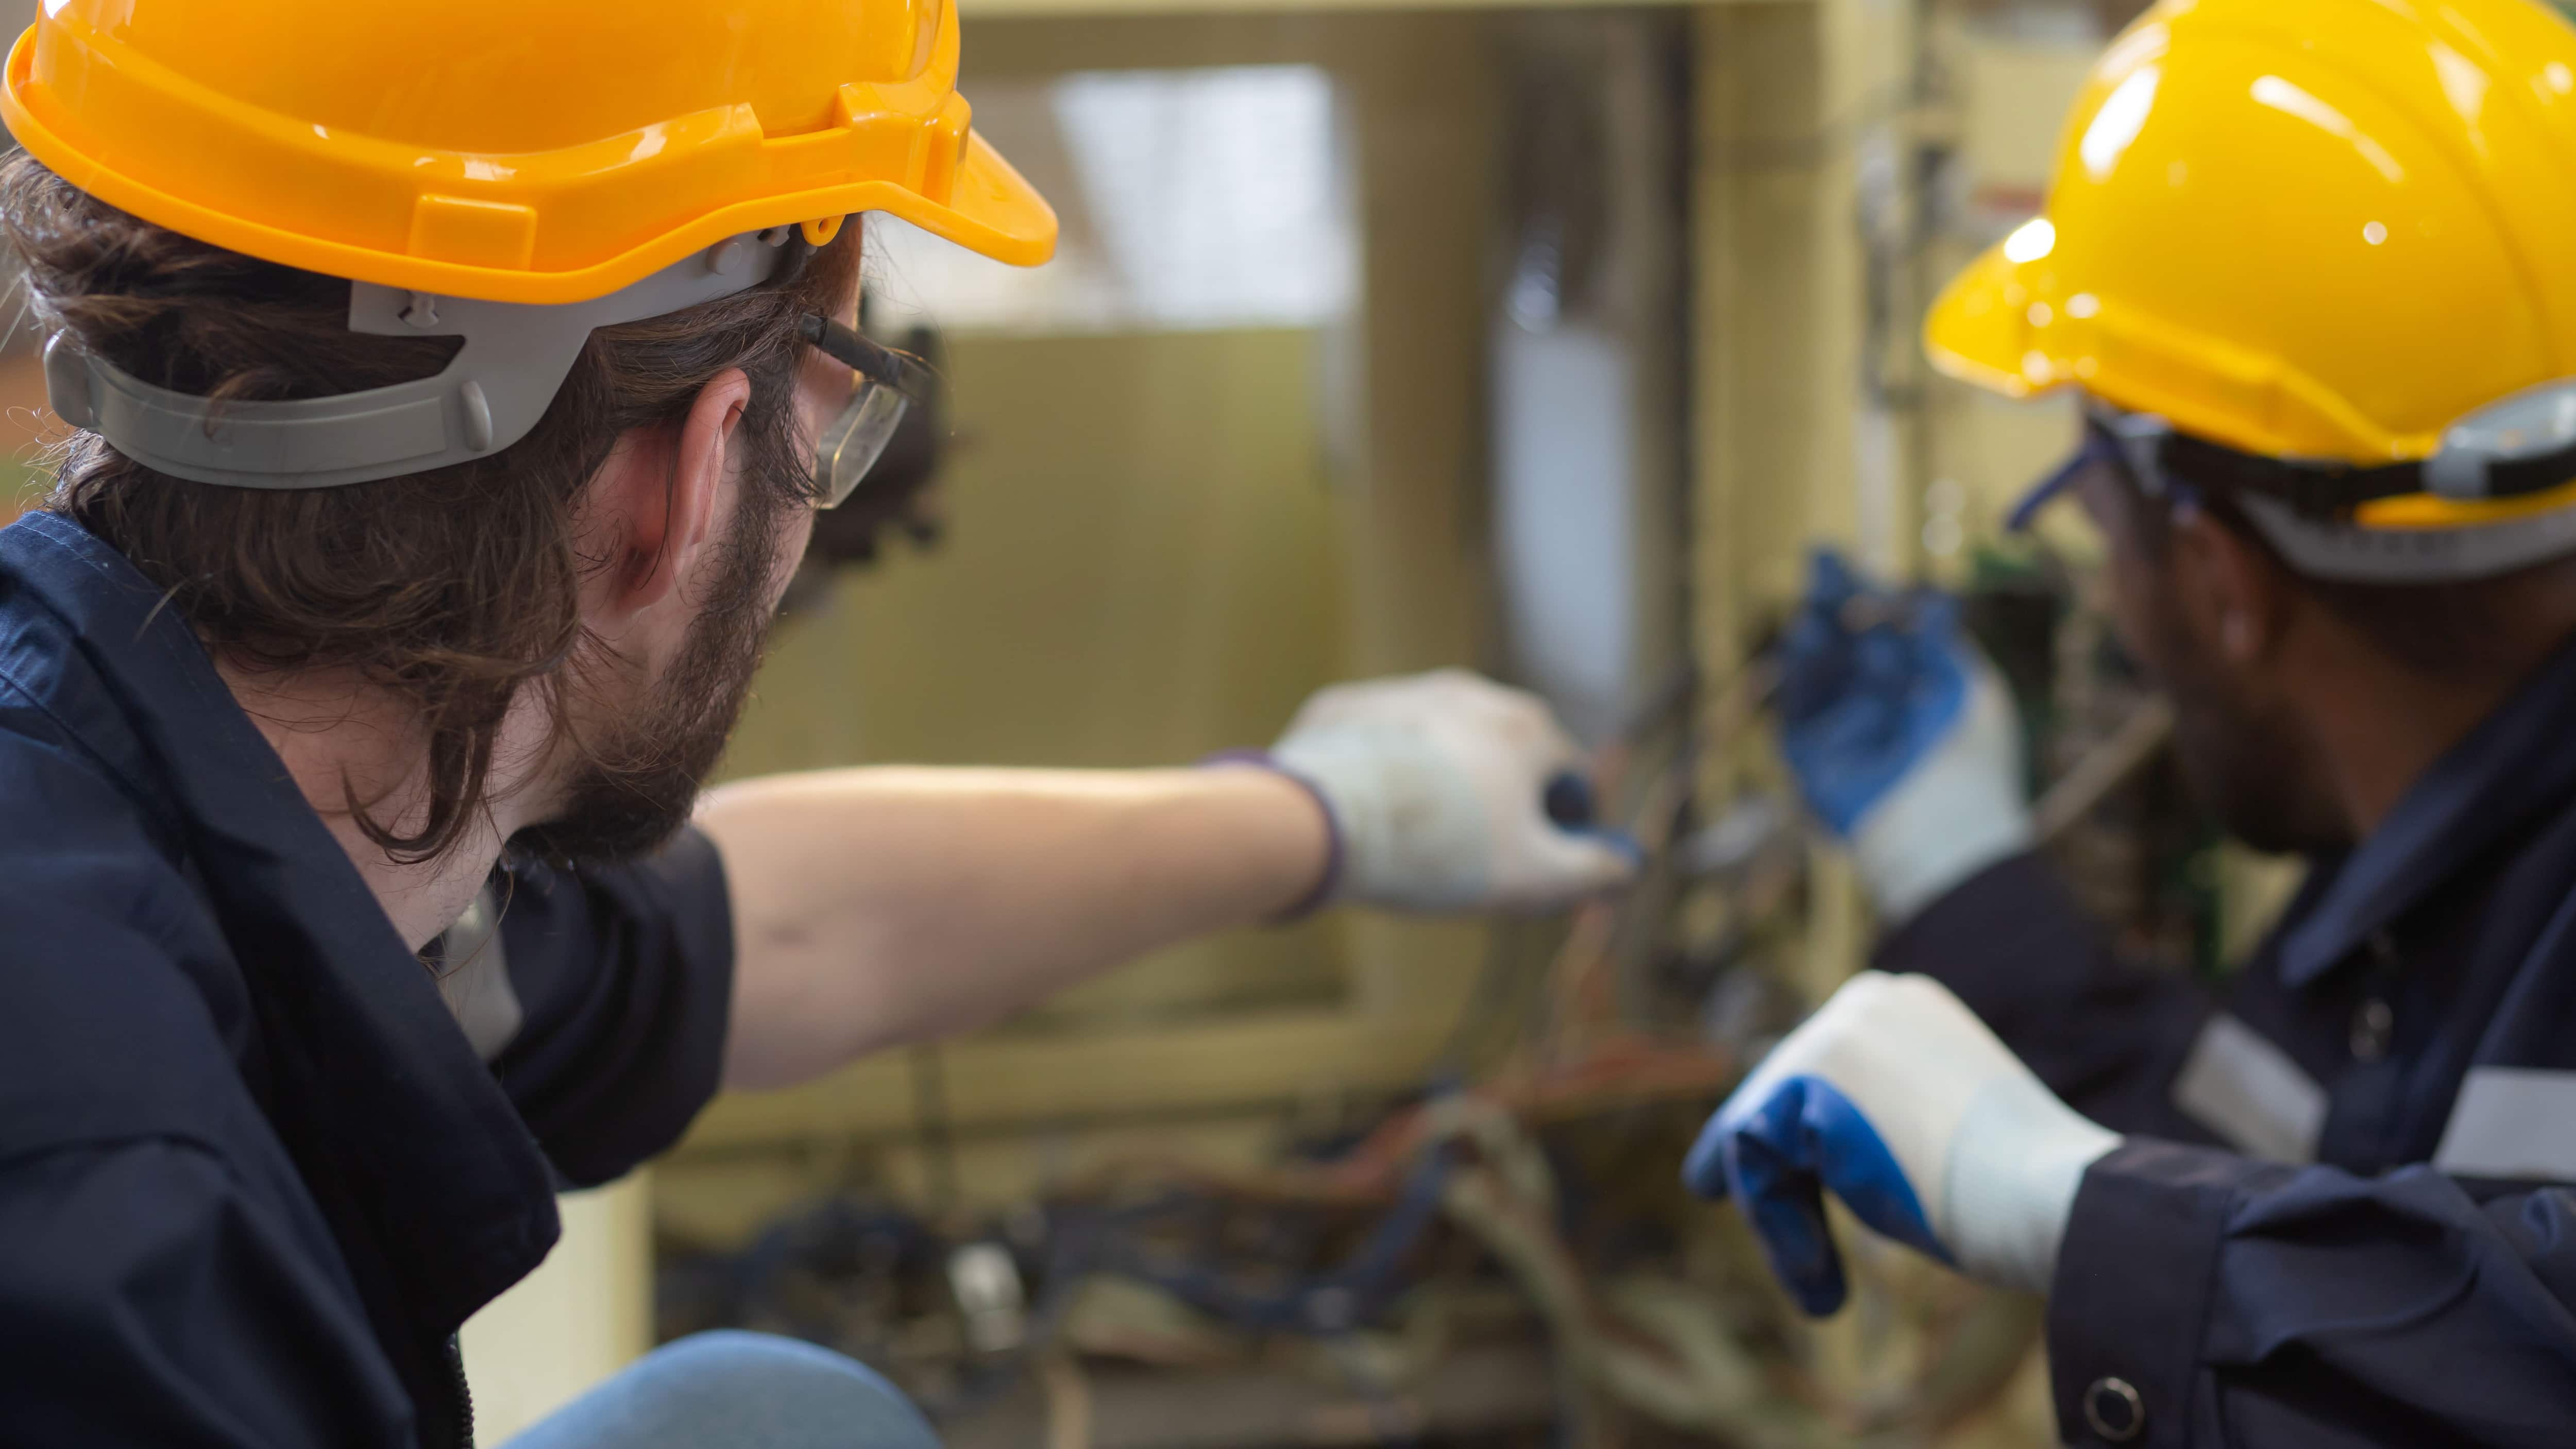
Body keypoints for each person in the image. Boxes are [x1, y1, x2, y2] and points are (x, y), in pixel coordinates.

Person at [0, 3, 1638, 1445]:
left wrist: (1337, 813)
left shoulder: (211, 812)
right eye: (828, 410)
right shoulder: (129, 1258)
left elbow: (747, 937)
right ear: (697, 468)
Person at [1682, 0, 2576, 1443]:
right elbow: (2247, 1161)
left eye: (2093, 519)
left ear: (2221, 579)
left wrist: (2066, 1204)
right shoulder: (2406, 909)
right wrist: (1958, 880)